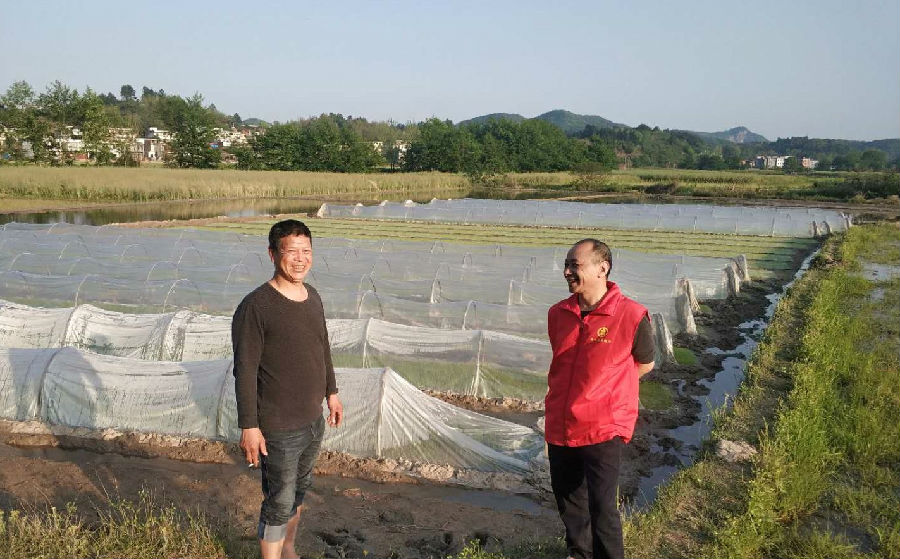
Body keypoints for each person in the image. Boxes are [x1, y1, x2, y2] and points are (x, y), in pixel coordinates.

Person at [232, 219, 343, 559]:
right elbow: (245, 370)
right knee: (279, 500)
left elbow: (321, 347)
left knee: (298, 492)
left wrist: (332, 392)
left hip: (312, 420)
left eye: (306, 251)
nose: (299, 258)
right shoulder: (256, 306)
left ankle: (289, 548)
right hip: (278, 426)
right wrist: (249, 427)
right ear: (272, 254)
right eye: (291, 251)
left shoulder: (313, 298)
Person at [545, 239, 655, 559]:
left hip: (602, 425)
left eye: (574, 266)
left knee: (602, 507)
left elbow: (645, 363)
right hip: (561, 422)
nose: (567, 272)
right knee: (569, 500)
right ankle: (579, 554)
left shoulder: (631, 315)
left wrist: (608, 391)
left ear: (602, 268)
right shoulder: (558, 314)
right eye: (566, 265)